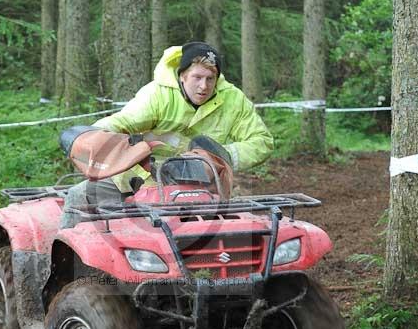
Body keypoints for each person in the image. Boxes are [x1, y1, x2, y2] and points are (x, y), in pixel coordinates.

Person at [60, 41, 274, 227]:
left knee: (216, 234)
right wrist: (94, 137)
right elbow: (122, 121)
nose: (204, 86)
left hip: (204, 185)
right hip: (142, 177)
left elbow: (261, 142)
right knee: (79, 196)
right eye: (197, 77)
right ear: (182, 76)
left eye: (211, 78)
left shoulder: (233, 100)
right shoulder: (158, 95)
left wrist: (214, 159)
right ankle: (66, 266)